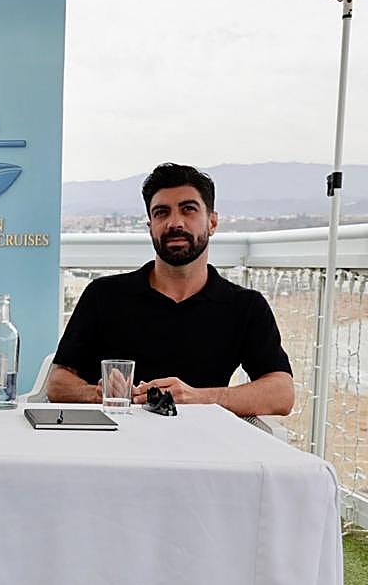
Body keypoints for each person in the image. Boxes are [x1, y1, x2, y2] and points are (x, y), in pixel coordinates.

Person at [47, 162, 293, 416]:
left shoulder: (244, 306)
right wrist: (100, 394)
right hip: (113, 445)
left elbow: (282, 393)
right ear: (150, 226)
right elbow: (58, 383)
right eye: (161, 213)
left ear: (212, 222)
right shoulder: (104, 295)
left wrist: (197, 397)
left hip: (203, 448)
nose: (175, 222)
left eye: (188, 210)